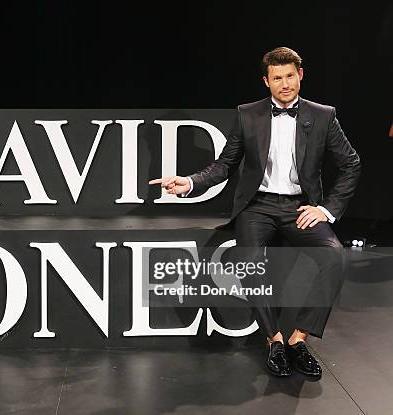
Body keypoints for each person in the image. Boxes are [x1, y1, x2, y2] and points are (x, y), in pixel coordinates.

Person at [149, 47, 361, 378]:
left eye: (291, 76)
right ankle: (274, 341)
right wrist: (189, 182)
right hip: (257, 206)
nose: (286, 83)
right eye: (278, 78)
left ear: (300, 75)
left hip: (299, 207)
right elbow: (224, 165)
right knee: (249, 259)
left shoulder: (323, 115)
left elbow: (351, 164)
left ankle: (298, 340)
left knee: (334, 256)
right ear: (266, 81)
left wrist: (326, 210)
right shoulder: (248, 114)